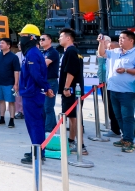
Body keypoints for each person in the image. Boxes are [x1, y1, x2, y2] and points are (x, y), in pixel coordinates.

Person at [18, 24, 54, 164]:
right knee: (35, 123)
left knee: (35, 124)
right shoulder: (32, 52)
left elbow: (36, 74)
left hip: (32, 93)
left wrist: (46, 87)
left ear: (32, 37)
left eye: (24, 36)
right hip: (32, 92)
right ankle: (37, 150)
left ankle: (38, 154)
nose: (21, 39)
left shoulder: (32, 53)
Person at [97, 30, 135, 153]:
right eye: (119, 38)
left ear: (131, 40)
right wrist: (101, 42)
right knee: (118, 116)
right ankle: (125, 137)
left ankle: (129, 141)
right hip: (113, 90)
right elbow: (101, 53)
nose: (120, 40)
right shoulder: (115, 52)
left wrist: (126, 70)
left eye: (123, 38)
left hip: (127, 91)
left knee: (127, 117)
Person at [58, 27, 87, 156]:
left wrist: (66, 87)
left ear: (68, 38)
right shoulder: (73, 51)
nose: (59, 39)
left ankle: (81, 146)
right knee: (72, 117)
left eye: (61, 36)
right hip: (74, 90)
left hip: (71, 91)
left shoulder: (71, 51)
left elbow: (71, 71)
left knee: (75, 118)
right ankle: (71, 140)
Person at [0, 37, 20, 128]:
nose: (0, 44)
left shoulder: (14, 57)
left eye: (3, 43)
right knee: (1, 101)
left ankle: (11, 120)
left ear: (8, 46)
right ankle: (2, 118)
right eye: (0, 43)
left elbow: (16, 71)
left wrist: (16, 84)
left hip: (9, 83)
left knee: (11, 101)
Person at [41, 34, 60, 132]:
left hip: (51, 81)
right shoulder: (43, 53)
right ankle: (52, 127)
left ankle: (48, 130)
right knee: (45, 107)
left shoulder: (53, 52)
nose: (41, 41)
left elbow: (44, 64)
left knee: (48, 107)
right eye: (40, 39)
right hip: (44, 82)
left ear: (50, 40)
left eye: (43, 39)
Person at [14, 43, 25, 119]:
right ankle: (20, 111)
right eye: (18, 45)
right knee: (18, 95)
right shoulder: (17, 54)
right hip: (19, 74)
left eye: (21, 44)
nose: (19, 46)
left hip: (28, 75)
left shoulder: (29, 54)